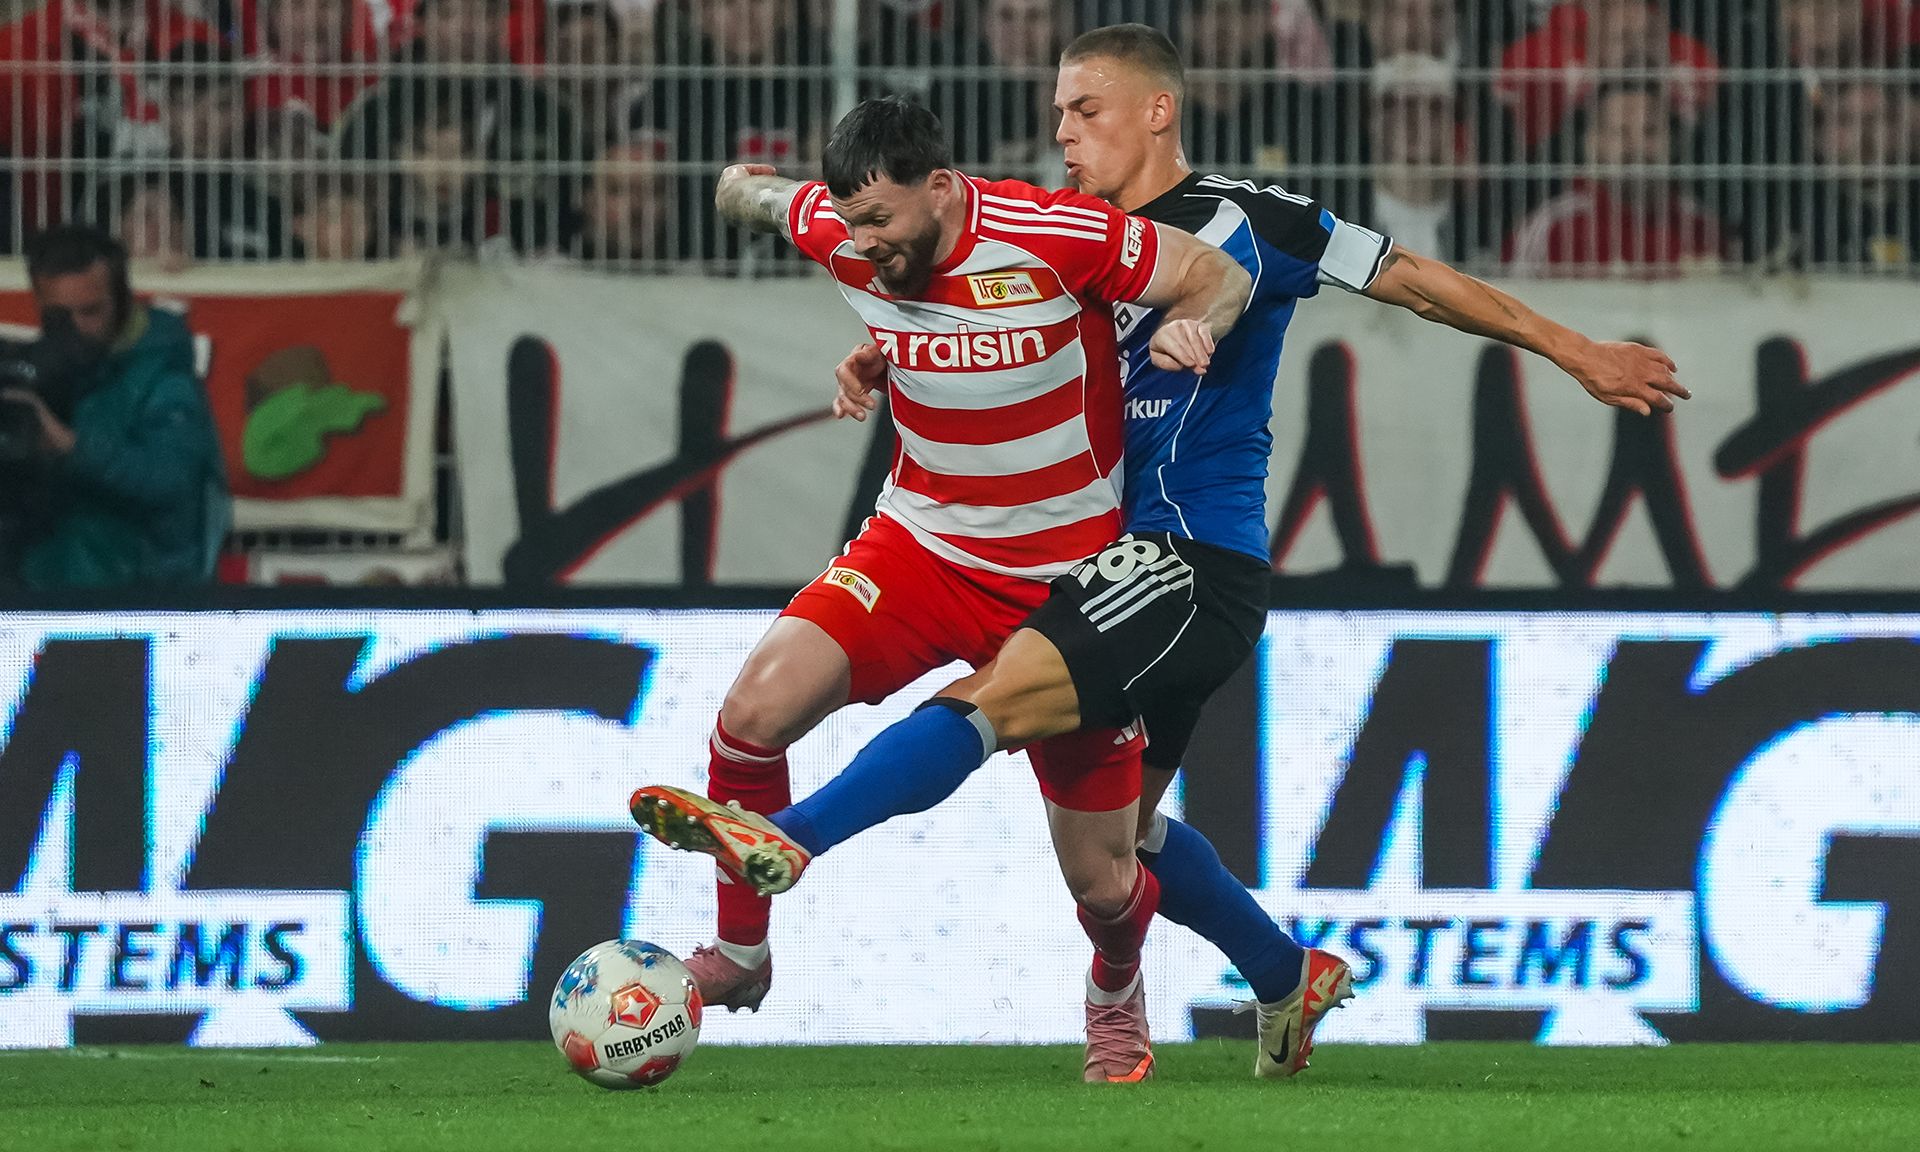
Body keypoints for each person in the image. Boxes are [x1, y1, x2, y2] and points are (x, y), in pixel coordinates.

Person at [635, 24, 1688, 1079]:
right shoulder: (1062, 228)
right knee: (1119, 855)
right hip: (1096, 559)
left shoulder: (1247, 220)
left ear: (1155, 112)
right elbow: (958, 301)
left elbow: (1410, 276)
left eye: (1084, 111)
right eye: (1055, 115)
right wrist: (891, 345)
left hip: (1180, 556)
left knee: (990, 713)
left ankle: (801, 844)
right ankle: (1284, 977)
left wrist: (1574, 349)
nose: (1063, 133)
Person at [628, 94, 1252, 1083]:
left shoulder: (1052, 235)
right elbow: (762, 198)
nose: (866, 243)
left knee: (1103, 875)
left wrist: (1194, 325)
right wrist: (742, 190)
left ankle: (1115, 987)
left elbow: (1215, 272)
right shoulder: (842, 230)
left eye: (883, 221)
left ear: (941, 188)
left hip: (1065, 589)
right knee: (750, 715)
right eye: (853, 223)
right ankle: (742, 957)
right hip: (918, 549)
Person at [2, 225, 227, 589]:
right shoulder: (37, 371)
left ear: (122, 298)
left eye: (90, 311)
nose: (76, 328)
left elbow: (171, 482)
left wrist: (70, 446)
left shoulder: (164, 373)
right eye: (58, 315)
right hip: (44, 593)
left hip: (142, 595)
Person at [1506, 81, 1724, 275]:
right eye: (1620, 132)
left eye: (1650, 131)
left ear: (1673, 142)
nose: (1636, 145)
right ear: (1592, 142)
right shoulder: (1554, 226)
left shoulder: (1701, 227)